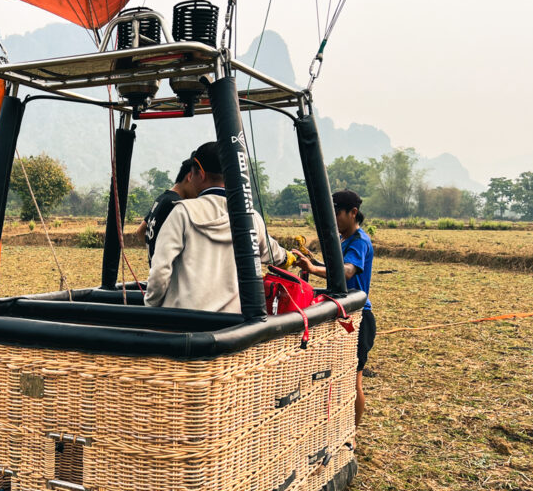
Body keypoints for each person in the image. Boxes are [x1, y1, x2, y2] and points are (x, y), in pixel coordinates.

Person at [145, 142, 289, 314]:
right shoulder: (251, 218)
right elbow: (275, 254)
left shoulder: (182, 212)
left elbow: (160, 271)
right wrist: (292, 257)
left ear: (200, 173)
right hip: (232, 329)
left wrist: (151, 307)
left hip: (182, 326)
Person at [292, 189, 375, 426]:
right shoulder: (343, 239)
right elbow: (332, 267)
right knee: (341, 373)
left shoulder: (359, 242)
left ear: (353, 212)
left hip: (358, 320)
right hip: (343, 316)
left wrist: (314, 268)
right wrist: (311, 261)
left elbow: (347, 272)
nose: (334, 219)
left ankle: (352, 435)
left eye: (337, 213)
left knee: (354, 378)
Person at [135, 159, 198, 265]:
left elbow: (141, 231)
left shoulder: (162, 198)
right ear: (190, 177)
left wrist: (153, 248)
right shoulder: (176, 204)